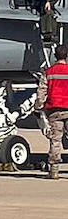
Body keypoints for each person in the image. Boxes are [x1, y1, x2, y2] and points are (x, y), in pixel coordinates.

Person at [37, 44, 68, 179]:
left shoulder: (49, 72)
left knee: (55, 140)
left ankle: (54, 171)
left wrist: (38, 107)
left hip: (55, 111)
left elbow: (41, 92)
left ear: (55, 56)